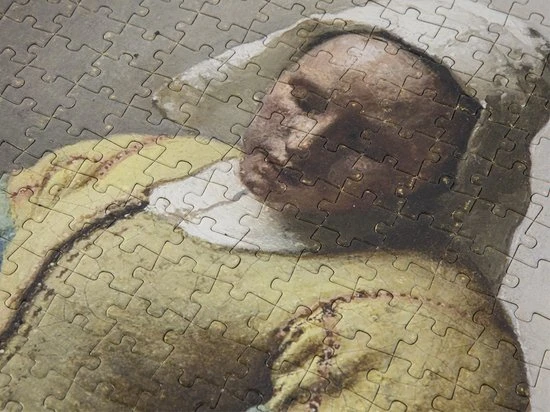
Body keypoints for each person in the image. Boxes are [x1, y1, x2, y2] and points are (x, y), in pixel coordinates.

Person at [0, 10, 548, 412]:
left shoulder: (424, 323)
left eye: (368, 143)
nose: (305, 144)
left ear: (446, 175)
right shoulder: (137, 159)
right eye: (304, 100)